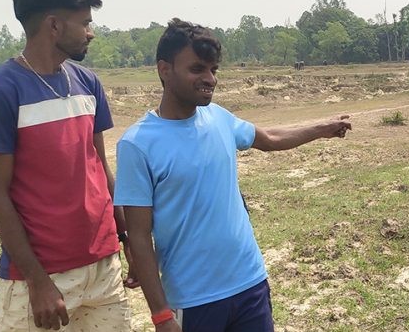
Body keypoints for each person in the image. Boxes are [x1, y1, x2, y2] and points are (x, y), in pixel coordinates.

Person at [115, 18, 351, 331]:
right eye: (197, 69)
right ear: (164, 70)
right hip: (193, 299)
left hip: (250, 282)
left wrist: (322, 129)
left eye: (213, 69)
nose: (210, 79)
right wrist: (160, 314)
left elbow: (269, 138)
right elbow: (139, 236)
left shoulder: (219, 118)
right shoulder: (137, 144)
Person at [0, 0, 136, 331]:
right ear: (54, 26)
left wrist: (126, 239)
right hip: (40, 280)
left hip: (103, 271)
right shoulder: (1, 91)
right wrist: (37, 280)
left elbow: (100, 168)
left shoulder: (88, 83)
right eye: (85, 23)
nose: (91, 32)